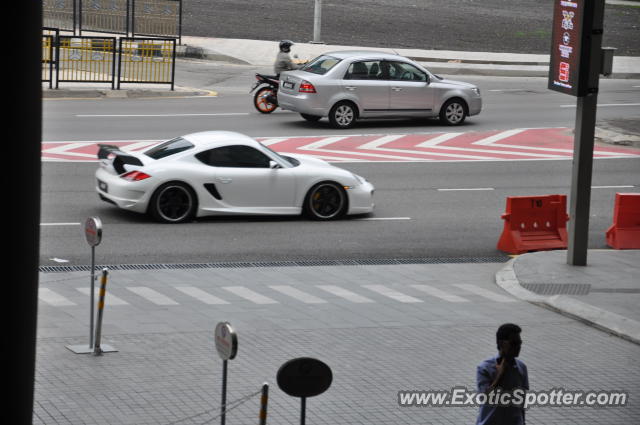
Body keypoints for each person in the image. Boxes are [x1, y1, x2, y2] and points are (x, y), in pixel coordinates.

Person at [476, 323, 529, 425]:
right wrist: (500, 375)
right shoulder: (484, 368)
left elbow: (522, 402)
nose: (518, 347)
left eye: (519, 343)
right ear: (500, 343)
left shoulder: (521, 368)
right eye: (514, 343)